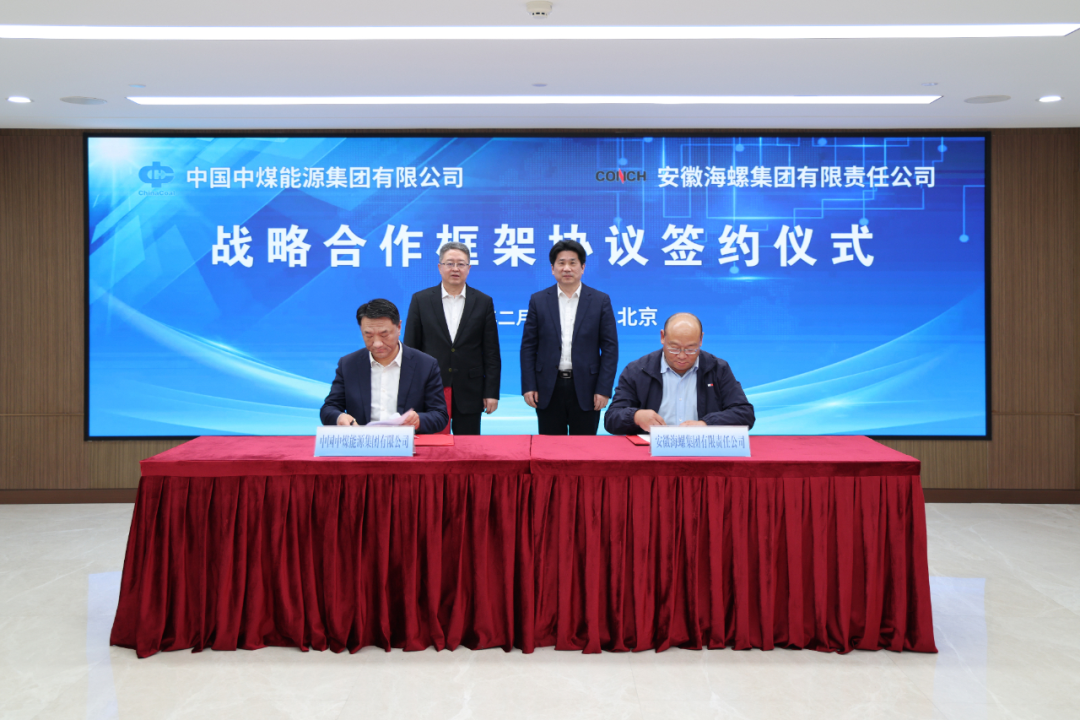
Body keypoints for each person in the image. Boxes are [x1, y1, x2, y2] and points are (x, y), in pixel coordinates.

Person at [520, 239, 618, 435]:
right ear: (552, 268)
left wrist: (603, 389)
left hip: (587, 389)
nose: (567, 268)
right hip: (548, 387)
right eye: (561, 263)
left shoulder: (600, 301)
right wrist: (529, 386)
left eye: (572, 263)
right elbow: (528, 347)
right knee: (550, 447)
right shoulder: (538, 300)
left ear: (582, 267)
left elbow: (610, 349)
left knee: (584, 448)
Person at [403, 241, 501, 435]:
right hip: (431, 388)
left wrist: (491, 393)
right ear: (440, 267)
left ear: (468, 268)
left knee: (468, 446)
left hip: (470, 390)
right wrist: (410, 392)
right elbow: (411, 350)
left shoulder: (483, 302)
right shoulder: (421, 300)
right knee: (433, 447)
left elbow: (491, 352)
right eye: (449, 263)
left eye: (461, 264)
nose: (455, 268)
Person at [604, 312, 755, 435]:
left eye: (690, 349)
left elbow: (745, 414)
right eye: (674, 348)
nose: (682, 356)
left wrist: (706, 424)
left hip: (703, 450)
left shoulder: (717, 369)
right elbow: (611, 418)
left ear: (701, 340)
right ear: (662, 337)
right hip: (651, 451)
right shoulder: (638, 370)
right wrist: (635, 416)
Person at [320, 298, 448, 434]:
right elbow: (329, 408)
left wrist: (419, 420)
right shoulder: (348, 364)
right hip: (363, 442)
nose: (377, 344)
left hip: (408, 443)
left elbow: (439, 415)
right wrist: (339, 417)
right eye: (368, 335)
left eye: (384, 335)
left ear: (399, 327)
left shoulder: (425, 365)